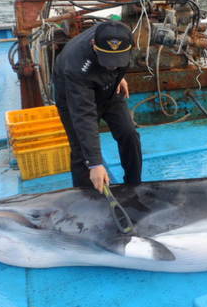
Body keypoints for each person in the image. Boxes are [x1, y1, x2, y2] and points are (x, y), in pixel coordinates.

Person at [53, 21, 142, 192]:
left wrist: (118, 77)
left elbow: (115, 64)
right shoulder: (75, 66)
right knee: (81, 149)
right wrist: (95, 163)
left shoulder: (121, 38)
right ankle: (86, 198)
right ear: (94, 45)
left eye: (118, 61)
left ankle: (134, 185)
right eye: (108, 60)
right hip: (73, 92)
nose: (113, 65)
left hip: (108, 87)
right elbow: (84, 116)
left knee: (129, 133)